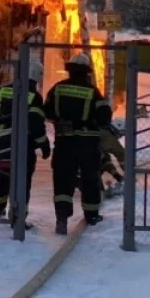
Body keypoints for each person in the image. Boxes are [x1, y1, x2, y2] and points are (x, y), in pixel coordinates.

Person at [43, 53, 112, 234]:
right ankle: (92, 215)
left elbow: (47, 112)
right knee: (90, 178)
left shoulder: (57, 89)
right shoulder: (93, 92)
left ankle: (62, 219)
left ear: (70, 70)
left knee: (63, 180)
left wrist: (62, 120)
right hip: (88, 144)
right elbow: (105, 116)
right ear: (87, 72)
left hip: (64, 142)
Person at [0, 64, 50, 226]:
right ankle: (18, 217)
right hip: (22, 144)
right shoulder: (33, 96)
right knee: (22, 179)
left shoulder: (4, 90)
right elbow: (36, 123)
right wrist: (44, 144)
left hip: (2, 144)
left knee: (2, 176)